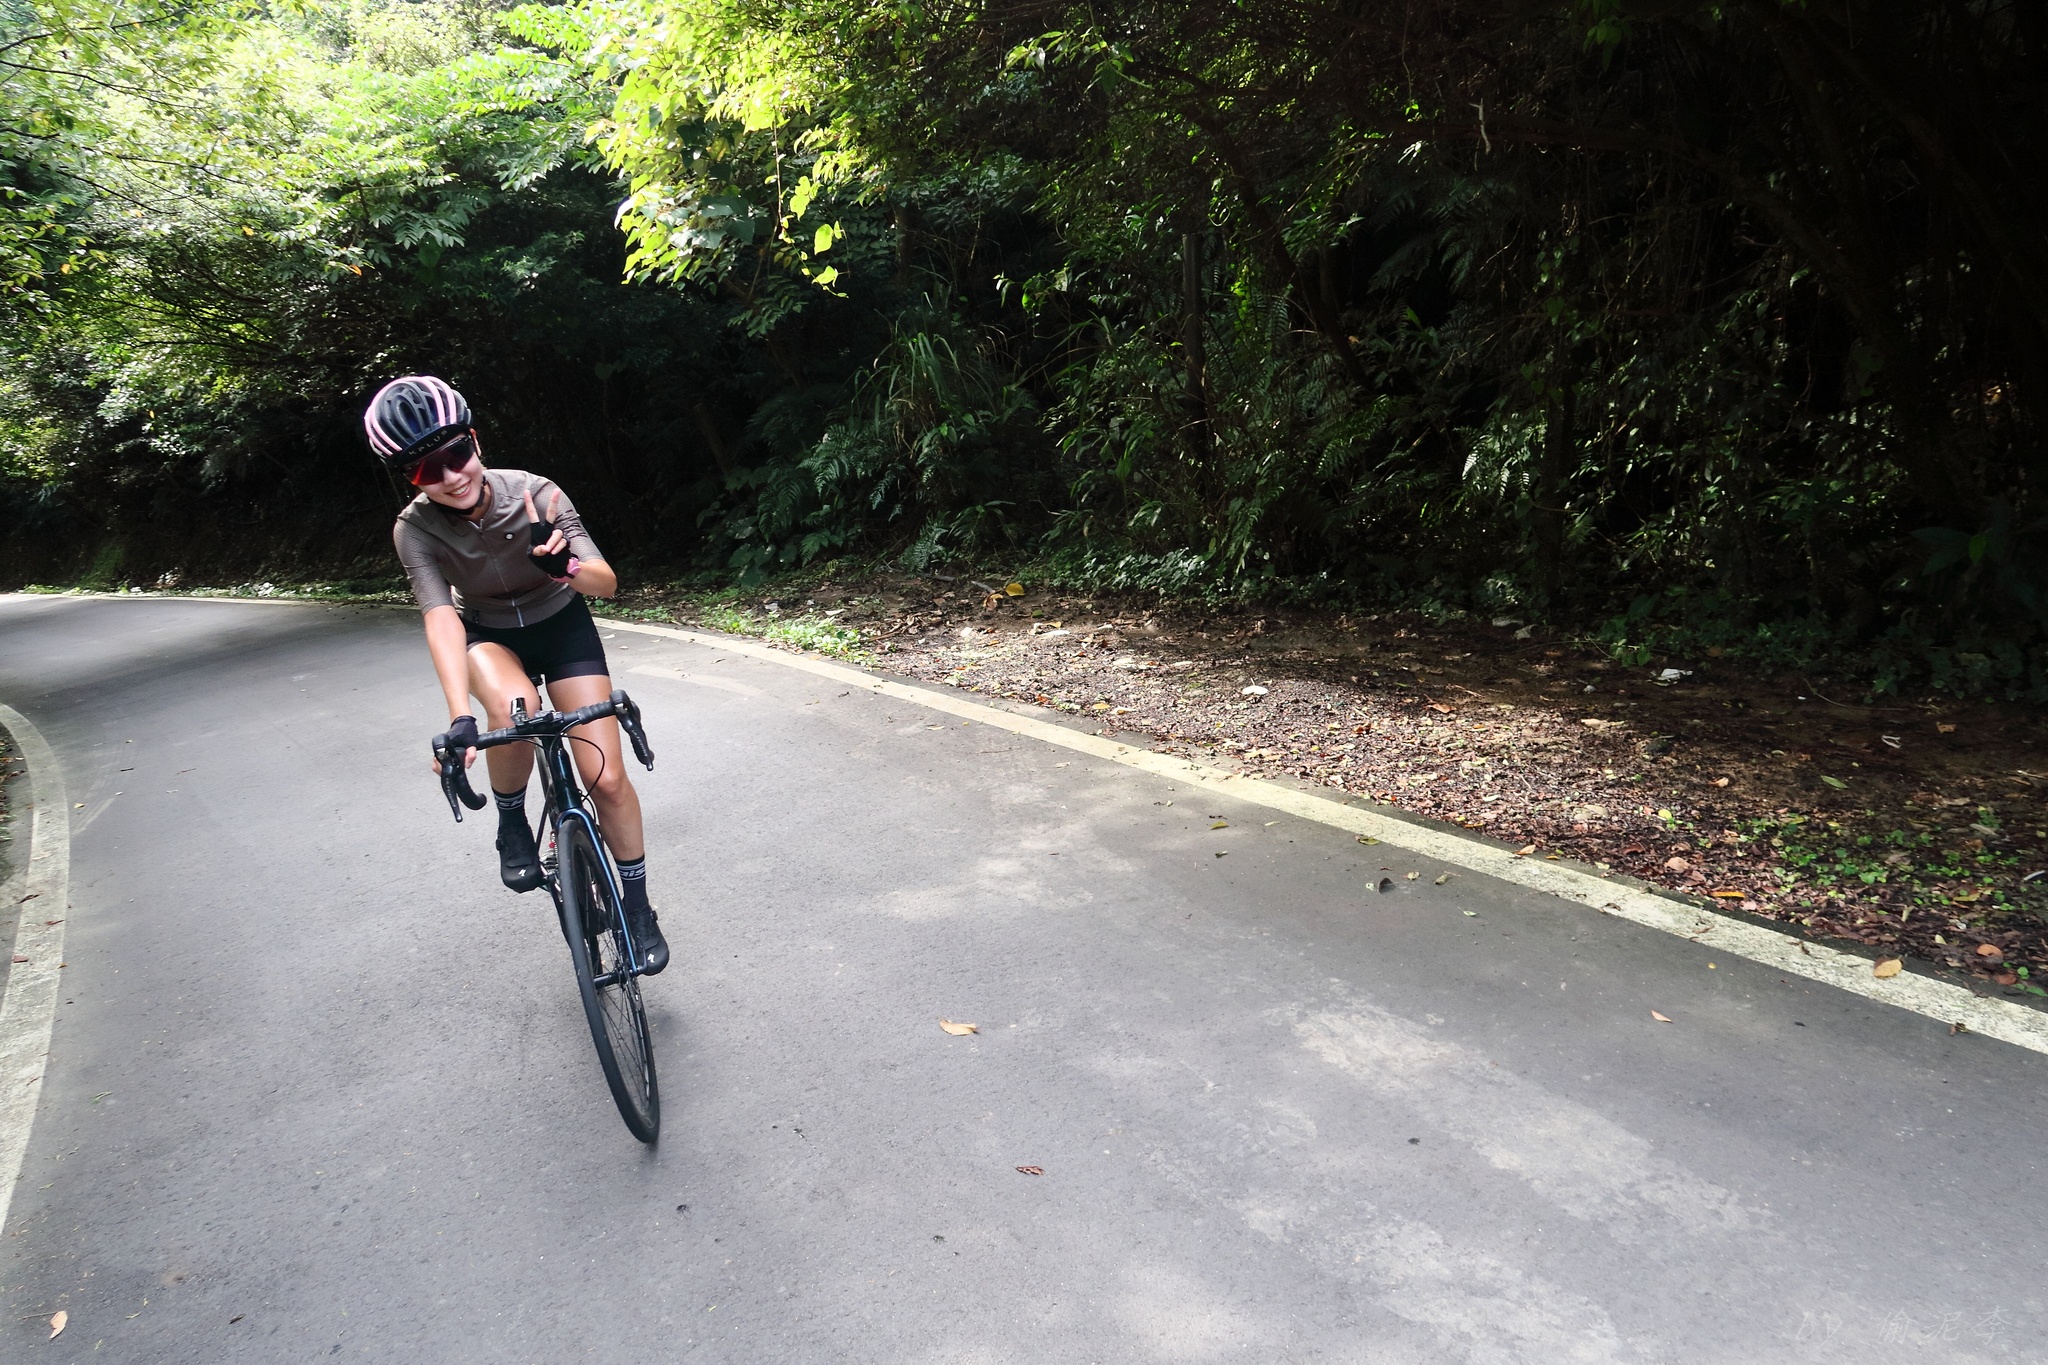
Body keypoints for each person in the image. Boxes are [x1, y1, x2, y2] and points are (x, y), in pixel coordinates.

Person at [366, 374, 667, 973]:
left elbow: (606, 584)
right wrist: (459, 716)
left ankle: (636, 907)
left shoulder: (537, 492)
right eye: (427, 470)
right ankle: (511, 820)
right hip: (489, 634)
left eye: (457, 454)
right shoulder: (414, 529)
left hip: (564, 627)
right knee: (512, 710)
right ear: (410, 479)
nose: (452, 476)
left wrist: (564, 566)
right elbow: (440, 618)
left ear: (475, 441)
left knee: (607, 779)